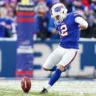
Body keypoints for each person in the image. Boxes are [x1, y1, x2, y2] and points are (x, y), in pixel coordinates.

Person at [40, 3, 88, 94]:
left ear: (62, 12)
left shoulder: (73, 16)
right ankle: (61, 69)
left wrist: (83, 24)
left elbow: (84, 23)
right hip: (61, 47)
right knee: (45, 67)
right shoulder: (57, 22)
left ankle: (46, 88)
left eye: (57, 16)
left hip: (71, 49)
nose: (56, 18)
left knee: (60, 67)